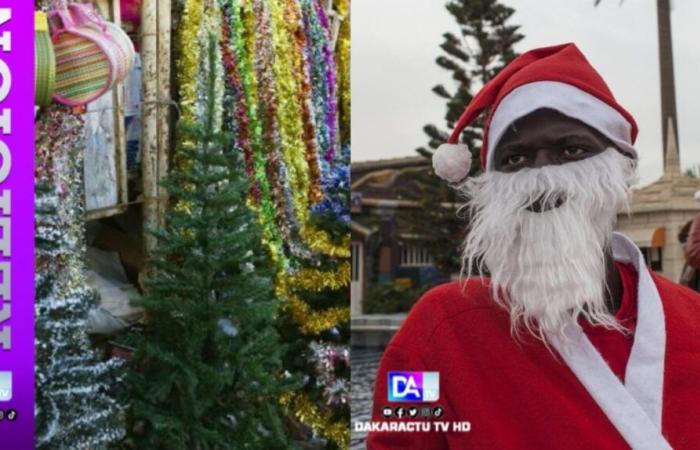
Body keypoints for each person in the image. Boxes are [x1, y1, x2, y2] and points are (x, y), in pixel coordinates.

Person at [366, 43, 700, 450]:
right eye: (515, 158)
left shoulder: (692, 318)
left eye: (572, 150)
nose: (543, 178)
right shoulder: (435, 331)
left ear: (623, 170)